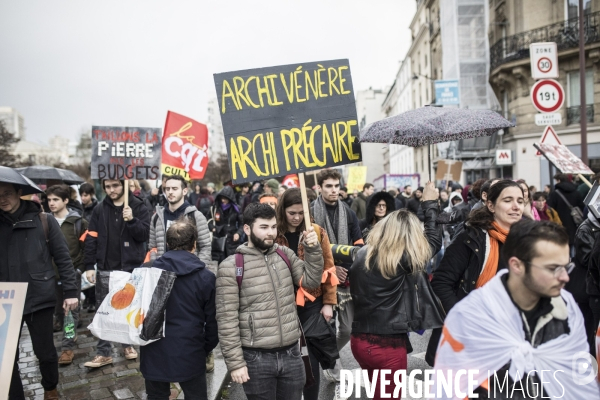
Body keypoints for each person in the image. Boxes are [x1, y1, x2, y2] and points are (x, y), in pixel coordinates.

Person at [433, 220, 600, 398]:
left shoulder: (567, 310)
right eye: (553, 268)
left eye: (567, 266)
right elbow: (452, 388)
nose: (565, 277)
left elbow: (578, 379)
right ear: (517, 265)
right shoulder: (471, 318)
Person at [216, 203, 324, 400]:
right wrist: (236, 363)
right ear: (247, 229)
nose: (271, 233)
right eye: (264, 227)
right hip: (256, 359)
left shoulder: (285, 255)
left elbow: (311, 281)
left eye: (273, 227)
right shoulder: (231, 267)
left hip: (291, 354)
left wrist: (313, 248)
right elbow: (226, 320)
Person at [350, 182, 444, 400]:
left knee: (379, 395)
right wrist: (430, 203)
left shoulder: (363, 252)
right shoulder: (398, 260)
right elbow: (433, 243)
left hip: (360, 341)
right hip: (386, 346)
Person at [428, 180, 524, 364]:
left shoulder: (526, 241)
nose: (515, 206)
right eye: (508, 200)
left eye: (520, 201)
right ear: (491, 205)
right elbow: (441, 282)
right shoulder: (472, 237)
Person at [0, 182, 79, 399]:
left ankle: (50, 388)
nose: (2, 199)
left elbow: (63, 257)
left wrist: (71, 291)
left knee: (45, 353)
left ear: (19, 193)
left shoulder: (44, 220)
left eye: (7, 194)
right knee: (6, 357)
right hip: (5, 300)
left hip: (39, 296)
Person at [141, 218, 218, 400]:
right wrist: (205, 347)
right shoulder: (205, 277)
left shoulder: (147, 271)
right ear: (194, 244)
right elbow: (213, 322)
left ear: (167, 244)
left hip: (153, 349)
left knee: (156, 396)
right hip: (190, 349)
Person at [275, 188, 337, 400]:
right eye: (292, 213)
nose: (297, 217)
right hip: (283, 304)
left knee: (310, 361)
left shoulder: (316, 232)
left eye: (301, 213)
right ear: (282, 211)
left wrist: (328, 303)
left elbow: (329, 268)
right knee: (286, 359)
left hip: (312, 303)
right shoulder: (274, 234)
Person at [83, 179, 150, 368]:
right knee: (103, 310)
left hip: (129, 268)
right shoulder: (99, 209)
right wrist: (89, 265)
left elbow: (144, 234)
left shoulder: (138, 206)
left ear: (124, 185)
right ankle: (103, 352)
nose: (111, 190)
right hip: (105, 267)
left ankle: (127, 345)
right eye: (107, 186)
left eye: (115, 186)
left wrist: (132, 220)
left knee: (127, 307)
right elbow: (91, 237)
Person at [310, 169, 364, 383]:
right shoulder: (311, 213)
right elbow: (309, 250)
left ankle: (327, 356)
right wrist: (331, 269)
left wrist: (348, 268)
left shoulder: (348, 212)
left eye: (336, 186)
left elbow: (358, 244)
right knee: (326, 326)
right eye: (329, 186)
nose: (334, 190)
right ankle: (331, 363)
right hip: (320, 278)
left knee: (347, 328)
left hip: (346, 279)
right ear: (320, 188)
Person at [46, 185, 88, 366]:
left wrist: (79, 269)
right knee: (58, 312)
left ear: (65, 201)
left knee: (71, 311)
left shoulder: (78, 222)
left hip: (72, 274)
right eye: (48, 200)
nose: (51, 203)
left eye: (55, 199)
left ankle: (67, 347)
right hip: (51, 276)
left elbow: (87, 248)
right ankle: (68, 335)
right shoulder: (44, 222)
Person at [148, 175, 211, 264]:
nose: (170, 192)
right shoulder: (157, 217)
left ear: (184, 191)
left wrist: (196, 268)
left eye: (174, 189)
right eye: (167, 189)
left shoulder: (196, 216)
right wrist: (156, 264)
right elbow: (152, 247)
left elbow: (206, 247)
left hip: (188, 272)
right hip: (163, 272)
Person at [575, 209, 600, 357]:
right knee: (592, 330)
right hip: (591, 289)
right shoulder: (586, 229)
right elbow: (589, 260)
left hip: (593, 285)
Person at [547, 173, 584, 247]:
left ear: (559, 180)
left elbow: (550, 208)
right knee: (573, 245)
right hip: (574, 223)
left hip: (559, 224)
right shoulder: (576, 192)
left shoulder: (555, 194)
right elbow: (582, 206)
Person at [210, 186, 243, 262]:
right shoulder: (216, 207)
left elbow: (242, 223)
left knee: (232, 262)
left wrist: (238, 233)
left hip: (232, 240)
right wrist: (212, 227)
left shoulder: (236, 209)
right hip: (219, 238)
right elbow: (209, 219)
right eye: (222, 198)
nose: (223, 200)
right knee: (221, 263)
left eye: (225, 198)